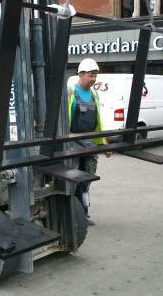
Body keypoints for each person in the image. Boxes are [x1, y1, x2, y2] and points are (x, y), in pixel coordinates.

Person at [68, 58, 111, 226]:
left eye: (95, 76)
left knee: (86, 181)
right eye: (90, 75)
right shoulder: (71, 93)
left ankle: (84, 214)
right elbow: (64, 121)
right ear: (80, 75)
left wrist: (103, 144)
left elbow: (98, 122)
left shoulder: (94, 94)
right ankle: (71, 214)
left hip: (89, 144)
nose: (93, 79)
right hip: (72, 143)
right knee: (71, 180)